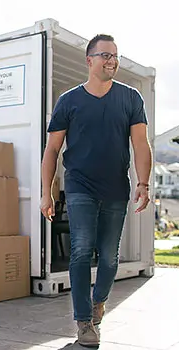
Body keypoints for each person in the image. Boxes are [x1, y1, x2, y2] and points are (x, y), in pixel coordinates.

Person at [40, 34, 152, 347]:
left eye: (114, 55)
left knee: (109, 259)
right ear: (89, 61)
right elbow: (52, 150)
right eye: (104, 55)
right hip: (80, 187)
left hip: (117, 188)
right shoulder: (69, 100)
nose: (111, 61)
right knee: (80, 251)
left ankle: (99, 301)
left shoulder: (130, 98)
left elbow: (141, 144)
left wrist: (143, 183)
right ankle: (84, 321)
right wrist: (45, 192)